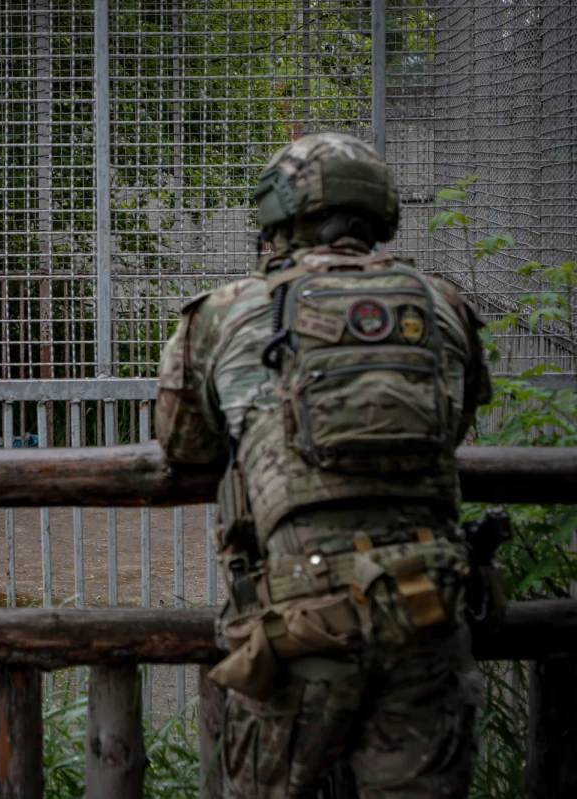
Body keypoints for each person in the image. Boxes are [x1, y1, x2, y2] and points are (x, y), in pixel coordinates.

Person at [155, 132, 492, 798]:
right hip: (426, 607)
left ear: (278, 214)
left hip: (299, 626)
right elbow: (450, 427)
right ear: (379, 213)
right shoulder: (443, 310)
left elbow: (185, 445)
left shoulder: (225, 314)